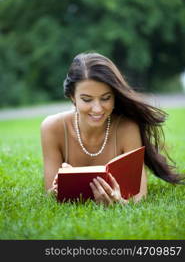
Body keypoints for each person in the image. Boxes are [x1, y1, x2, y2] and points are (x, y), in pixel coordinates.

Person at [40, 52, 184, 206]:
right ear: (72, 97)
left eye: (105, 98)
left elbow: (139, 195)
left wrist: (119, 202)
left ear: (115, 96)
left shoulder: (127, 128)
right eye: (87, 99)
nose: (97, 109)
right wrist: (56, 190)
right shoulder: (52, 128)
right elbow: (50, 193)